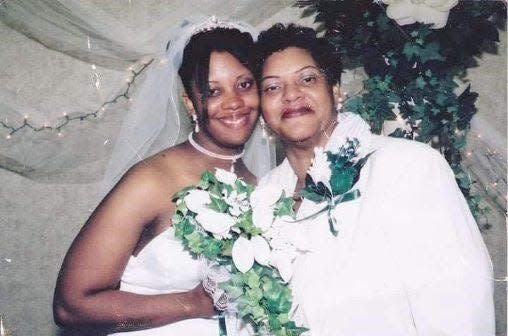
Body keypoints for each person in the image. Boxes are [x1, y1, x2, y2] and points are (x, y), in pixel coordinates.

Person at [255, 23, 495, 335]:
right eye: (273, 87)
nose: (291, 95)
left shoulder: (407, 166)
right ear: (261, 109)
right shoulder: (263, 197)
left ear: (336, 90)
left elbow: (462, 306)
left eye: (308, 79)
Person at [53, 17, 271, 336]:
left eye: (244, 84)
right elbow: (70, 306)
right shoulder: (152, 180)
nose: (234, 102)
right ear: (191, 104)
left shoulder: (261, 187)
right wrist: (193, 303)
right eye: (213, 91)